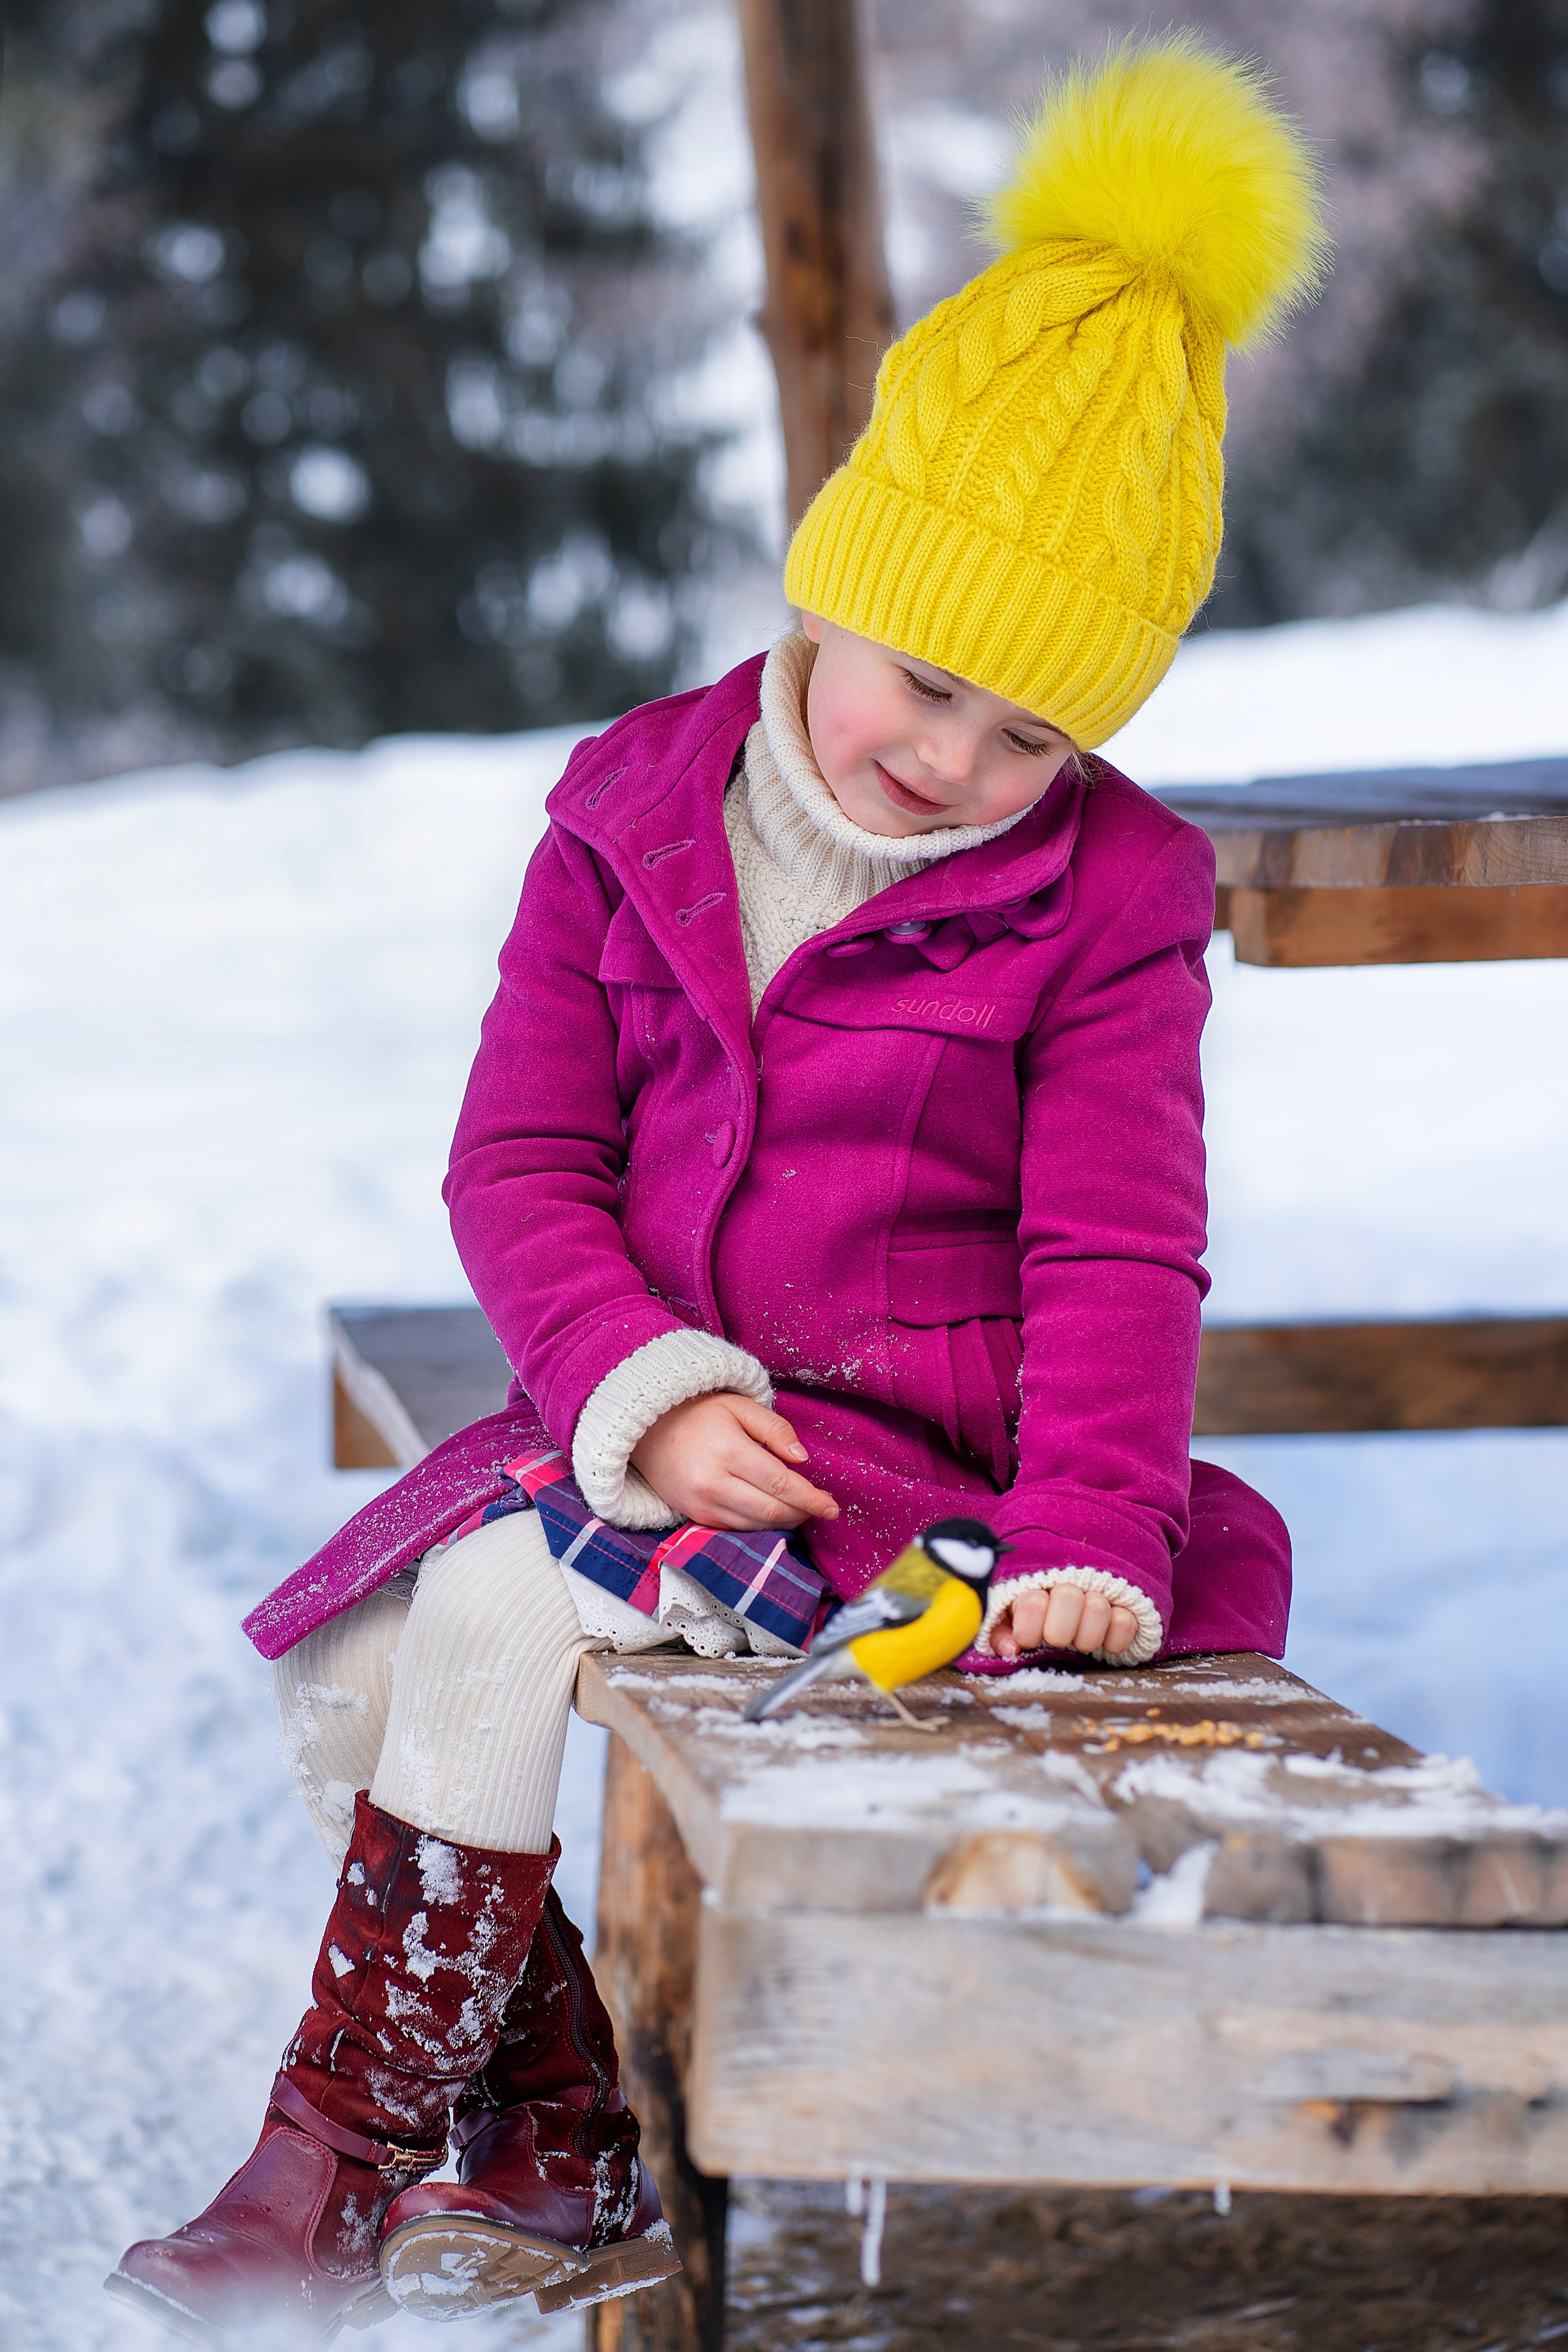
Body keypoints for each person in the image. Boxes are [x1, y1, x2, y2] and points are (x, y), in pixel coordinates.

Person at [110, 32, 1326, 2340]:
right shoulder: (634, 802)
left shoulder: (1113, 903)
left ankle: (336, 2156)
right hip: (672, 1417)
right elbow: (524, 1155)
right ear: (836, 571)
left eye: (1035, 731)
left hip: (923, 1485)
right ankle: (563, 2140)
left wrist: (1087, 1531)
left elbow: (1116, 1247)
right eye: (929, 678)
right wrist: (637, 1384)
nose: (956, 762)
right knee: (353, 1663)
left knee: (475, 1624)